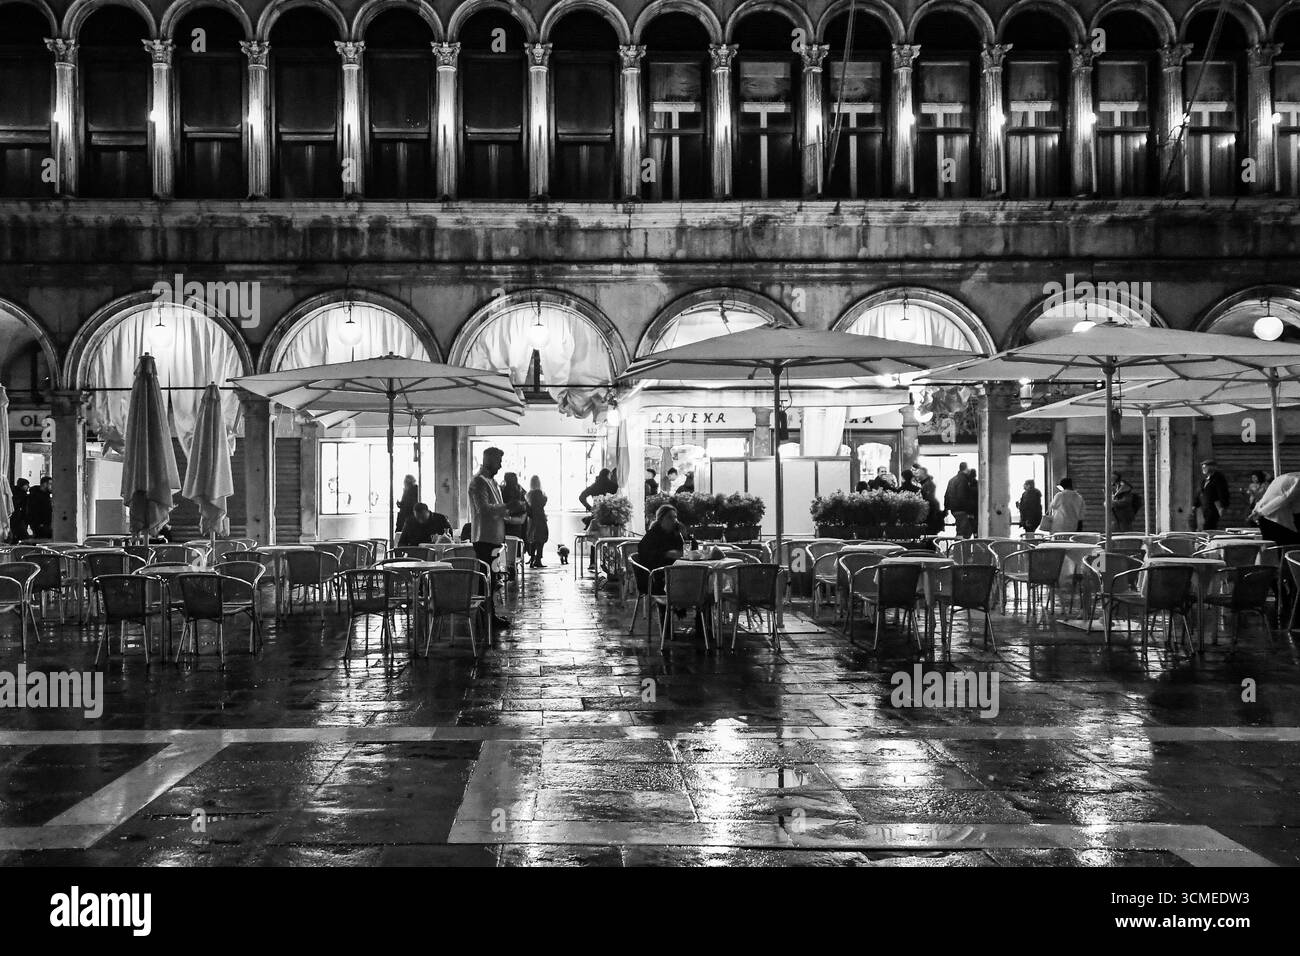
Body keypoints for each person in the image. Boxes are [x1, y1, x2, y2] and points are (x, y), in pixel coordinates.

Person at [468, 447, 512, 629]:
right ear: (489, 461)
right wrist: (507, 506)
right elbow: (483, 509)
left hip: (494, 538)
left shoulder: (491, 482)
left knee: (493, 579)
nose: (500, 466)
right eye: (498, 462)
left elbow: (498, 508)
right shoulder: (478, 482)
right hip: (484, 538)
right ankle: (484, 617)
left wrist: (510, 511)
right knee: (486, 579)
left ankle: (490, 615)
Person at [637, 504, 685, 594]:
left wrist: (684, 533)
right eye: (670, 517)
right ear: (661, 519)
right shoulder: (652, 535)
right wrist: (666, 554)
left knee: (696, 579)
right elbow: (645, 555)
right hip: (654, 577)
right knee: (685, 583)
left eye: (675, 517)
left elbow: (690, 547)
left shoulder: (676, 534)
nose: (674, 520)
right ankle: (674, 605)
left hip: (675, 573)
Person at [1250, 471, 1300, 545]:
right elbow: (1285, 498)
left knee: (1273, 550)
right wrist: (1261, 512)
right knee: (1289, 549)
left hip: (1267, 517)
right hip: (1277, 520)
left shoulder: (1284, 477)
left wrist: (1258, 511)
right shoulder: (1297, 480)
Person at [944, 462, 978, 539]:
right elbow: (962, 496)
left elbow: (946, 495)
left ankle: (958, 547)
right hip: (962, 509)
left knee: (960, 530)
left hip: (954, 509)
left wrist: (946, 508)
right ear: (966, 469)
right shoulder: (963, 480)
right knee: (964, 532)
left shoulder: (952, 479)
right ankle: (960, 549)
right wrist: (970, 510)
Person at [1196, 460, 1230, 531]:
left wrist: (1223, 506)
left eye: (1205, 467)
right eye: (1202, 467)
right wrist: (1195, 504)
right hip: (1205, 508)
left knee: (1208, 527)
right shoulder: (1205, 479)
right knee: (1204, 527)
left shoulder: (1218, 478)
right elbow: (1200, 492)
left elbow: (1222, 492)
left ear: (1212, 467)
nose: (1203, 469)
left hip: (1214, 507)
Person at [525, 475, 549, 568]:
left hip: (531, 519)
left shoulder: (528, 494)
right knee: (541, 539)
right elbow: (543, 503)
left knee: (533, 539)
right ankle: (538, 560)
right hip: (540, 518)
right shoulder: (539, 493)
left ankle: (532, 559)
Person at [501, 472, 528, 550]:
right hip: (517, 525)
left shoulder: (502, 491)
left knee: (506, 551)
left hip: (505, 525)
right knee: (515, 549)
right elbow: (523, 515)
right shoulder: (521, 492)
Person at [8, 478, 29, 543]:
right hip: (18, 518)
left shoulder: (14, 493)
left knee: (17, 535)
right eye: (26, 485)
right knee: (24, 536)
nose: (28, 487)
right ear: (22, 485)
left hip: (17, 518)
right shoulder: (21, 495)